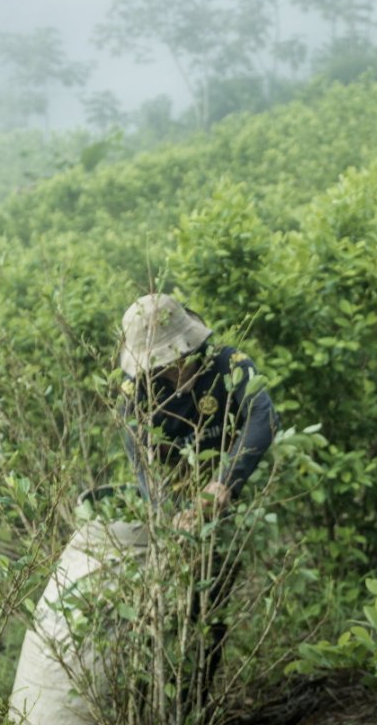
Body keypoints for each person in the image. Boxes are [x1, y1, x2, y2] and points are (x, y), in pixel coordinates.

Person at [117, 293, 278, 697]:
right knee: (158, 608)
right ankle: (149, 696)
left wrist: (223, 482)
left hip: (222, 504)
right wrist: (170, 514)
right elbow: (142, 464)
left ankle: (197, 695)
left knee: (210, 603)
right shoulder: (134, 393)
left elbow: (263, 419)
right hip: (171, 510)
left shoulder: (229, 364)